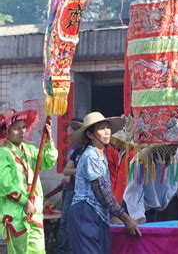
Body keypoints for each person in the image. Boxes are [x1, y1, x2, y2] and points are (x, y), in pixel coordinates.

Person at [68, 112, 141, 253]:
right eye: (102, 128)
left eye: (108, 127)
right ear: (90, 135)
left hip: (97, 213)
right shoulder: (90, 156)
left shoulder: (101, 154)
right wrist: (125, 218)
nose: (107, 132)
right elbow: (102, 191)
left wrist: (117, 215)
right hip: (85, 212)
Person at [0, 109, 58, 254]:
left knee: (38, 250)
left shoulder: (29, 150)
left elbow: (48, 161)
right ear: (6, 132)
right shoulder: (3, 153)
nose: (21, 131)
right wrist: (24, 201)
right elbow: (4, 183)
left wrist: (49, 138)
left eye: (23, 127)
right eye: (16, 128)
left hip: (35, 212)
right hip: (15, 214)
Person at [59, 118, 84, 254]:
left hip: (82, 193)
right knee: (64, 222)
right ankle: (63, 250)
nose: (68, 132)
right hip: (71, 190)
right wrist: (78, 171)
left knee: (77, 224)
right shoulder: (75, 150)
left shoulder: (87, 150)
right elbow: (66, 171)